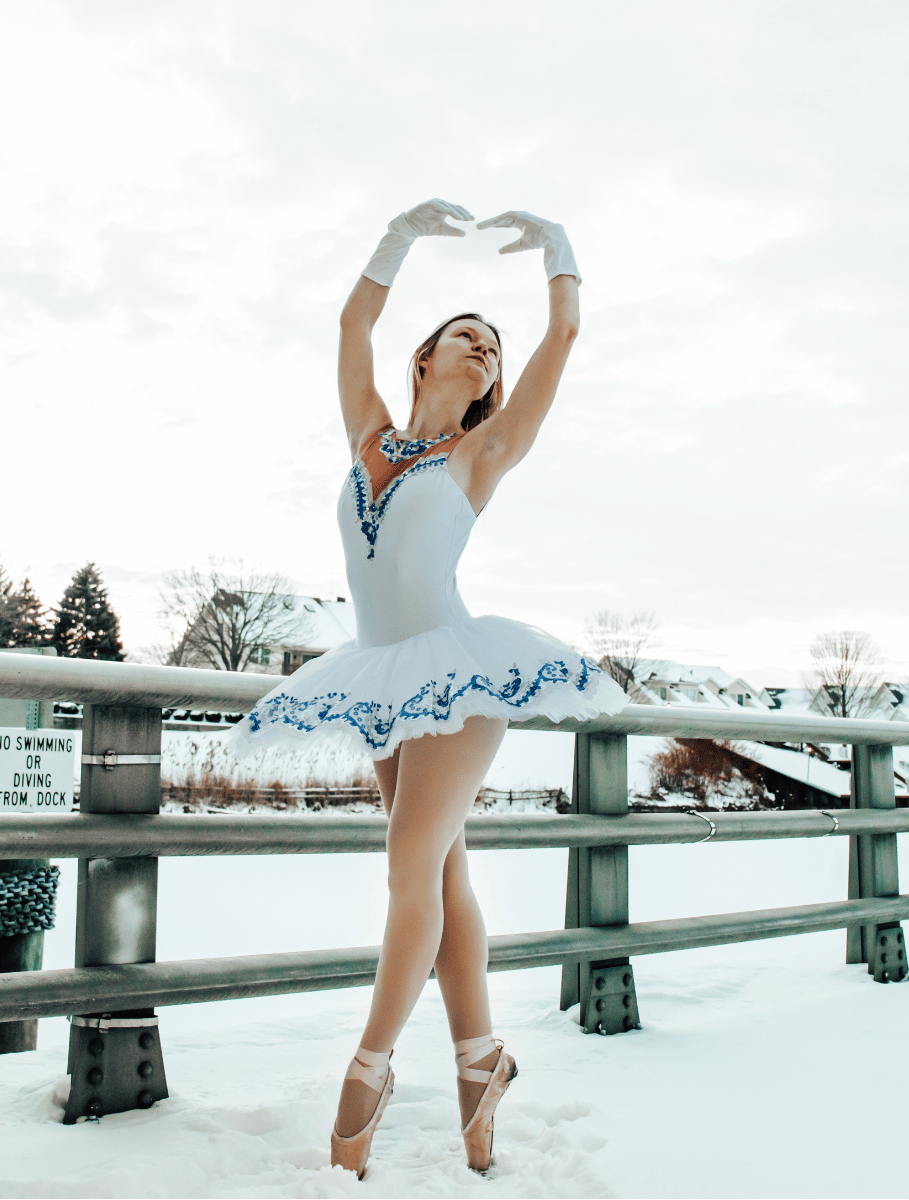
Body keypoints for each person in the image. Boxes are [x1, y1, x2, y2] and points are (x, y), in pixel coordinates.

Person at [229, 199, 628, 1178]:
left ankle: (364, 1078)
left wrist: (561, 256)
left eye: (494, 347)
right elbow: (349, 327)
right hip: (379, 681)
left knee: (411, 872)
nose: (486, 350)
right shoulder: (370, 434)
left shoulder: (479, 454)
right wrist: (397, 239)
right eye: (468, 335)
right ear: (424, 359)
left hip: (458, 672)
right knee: (444, 880)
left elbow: (565, 332)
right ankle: (481, 1062)